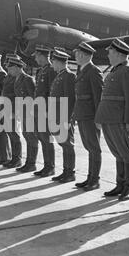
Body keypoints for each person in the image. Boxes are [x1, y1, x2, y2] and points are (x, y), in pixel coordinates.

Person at [95, 39, 129, 201]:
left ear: (119, 54)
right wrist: (100, 117)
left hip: (119, 119)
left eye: (110, 52)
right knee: (118, 153)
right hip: (108, 117)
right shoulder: (115, 71)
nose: (108, 55)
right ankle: (120, 184)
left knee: (126, 153)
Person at [73, 42, 103, 191]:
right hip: (82, 114)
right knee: (89, 147)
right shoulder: (83, 70)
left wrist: (98, 118)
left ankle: (95, 179)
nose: (75, 57)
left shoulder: (93, 71)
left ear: (84, 55)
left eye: (78, 54)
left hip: (90, 115)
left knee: (94, 148)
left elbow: (98, 97)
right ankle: (90, 177)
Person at [50, 48, 77, 183]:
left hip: (64, 115)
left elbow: (70, 98)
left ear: (59, 62)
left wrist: (67, 118)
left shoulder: (69, 76)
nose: (52, 64)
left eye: (53, 61)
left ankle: (70, 172)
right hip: (57, 113)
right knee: (63, 143)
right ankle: (65, 171)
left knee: (68, 144)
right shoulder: (60, 75)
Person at [32, 45, 57, 178]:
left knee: (47, 138)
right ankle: (46, 165)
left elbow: (52, 92)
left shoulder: (51, 70)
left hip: (46, 110)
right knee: (42, 137)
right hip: (39, 109)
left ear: (42, 56)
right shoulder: (41, 71)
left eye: (36, 56)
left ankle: (50, 166)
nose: (35, 59)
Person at [10, 56, 38, 173]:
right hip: (22, 111)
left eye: (11, 68)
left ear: (17, 67)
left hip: (29, 113)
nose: (9, 71)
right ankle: (28, 162)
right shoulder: (17, 78)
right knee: (27, 136)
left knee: (31, 138)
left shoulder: (27, 79)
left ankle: (31, 163)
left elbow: (33, 97)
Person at [2, 54, 23, 169]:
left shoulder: (17, 77)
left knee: (15, 134)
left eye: (10, 66)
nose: (8, 69)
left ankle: (17, 158)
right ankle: (13, 158)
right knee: (10, 133)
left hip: (13, 109)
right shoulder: (9, 76)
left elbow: (17, 95)